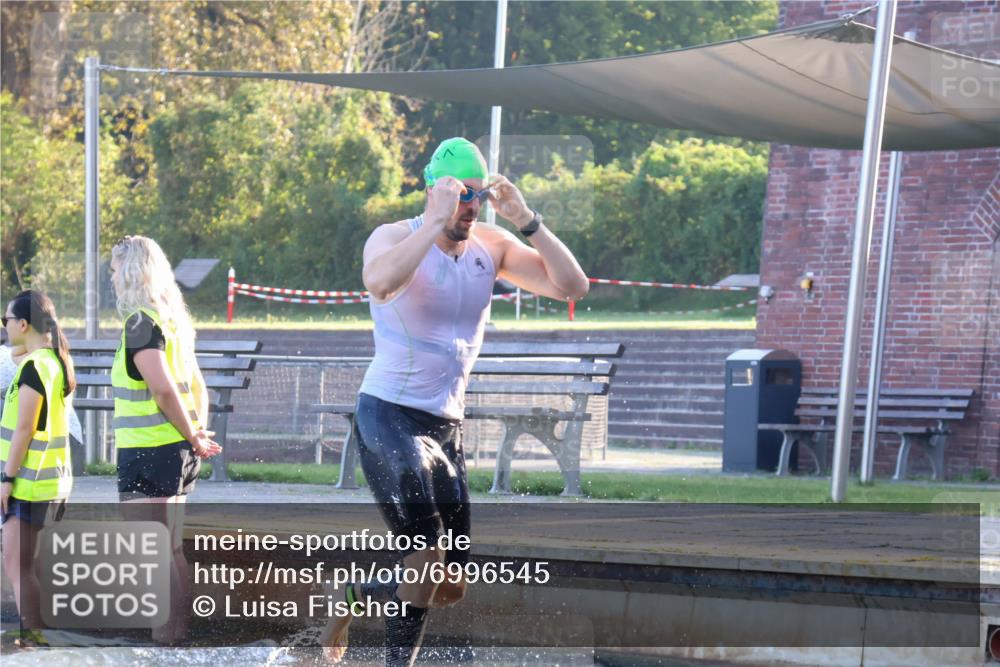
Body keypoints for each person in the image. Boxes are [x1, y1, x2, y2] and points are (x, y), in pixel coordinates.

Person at [321, 137, 589, 666]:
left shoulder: (492, 246)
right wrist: (431, 222)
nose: (470, 207)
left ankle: (352, 594)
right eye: (461, 195)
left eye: (479, 196)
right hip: (388, 417)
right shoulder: (395, 237)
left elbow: (572, 285)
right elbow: (378, 283)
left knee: (450, 585)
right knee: (423, 559)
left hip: (446, 430)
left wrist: (525, 220)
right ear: (435, 189)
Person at [109, 235, 222, 645]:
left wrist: (192, 434)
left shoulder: (140, 321)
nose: (112, 275)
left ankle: (163, 642)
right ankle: (174, 640)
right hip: (175, 450)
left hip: (149, 450)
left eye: (116, 267)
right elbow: (197, 383)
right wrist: (196, 434)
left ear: (134, 270)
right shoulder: (173, 320)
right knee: (170, 550)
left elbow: (161, 389)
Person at [1, 290, 76, 648]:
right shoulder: (50, 360)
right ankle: (37, 638)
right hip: (48, 481)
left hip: (28, 482)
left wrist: (7, 478)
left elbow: (24, 429)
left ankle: (32, 643)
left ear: (24, 323)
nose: (4, 327)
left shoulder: (35, 368)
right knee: (27, 566)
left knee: (18, 567)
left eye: (7, 321)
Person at [2, 342, 83, 474]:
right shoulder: (44, 358)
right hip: (65, 443)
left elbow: (26, 428)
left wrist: (7, 478)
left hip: (47, 451)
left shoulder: (30, 364)